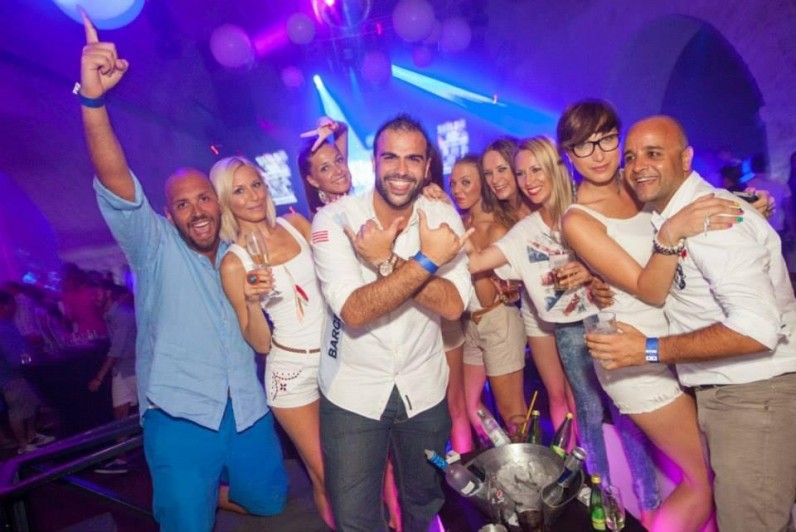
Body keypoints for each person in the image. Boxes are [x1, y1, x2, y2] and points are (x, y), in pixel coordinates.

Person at [79, 15, 287, 530]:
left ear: (217, 203)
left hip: (246, 408)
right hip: (179, 415)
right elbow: (114, 176)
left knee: (270, 502)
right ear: (169, 214)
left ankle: (204, 494)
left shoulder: (239, 251)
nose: (196, 211)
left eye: (203, 199)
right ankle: (188, 497)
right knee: (186, 524)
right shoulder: (153, 246)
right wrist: (94, 101)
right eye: (182, 204)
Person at [586, 115, 796, 532]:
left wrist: (648, 349)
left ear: (686, 159)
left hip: (753, 395)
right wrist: (590, 275)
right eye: (632, 157)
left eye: (653, 153)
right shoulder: (675, 214)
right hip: (734, 391)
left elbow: (756, 328)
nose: (639, 166)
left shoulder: (713, 220)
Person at [557, 101, 739, 531]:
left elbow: (691, 202)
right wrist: (672, 232)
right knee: (703, 478)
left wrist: (745, 207)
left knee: (704, 473)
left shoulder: (635, 182)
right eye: (583, 146)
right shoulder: (577, 220)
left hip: (675, 343)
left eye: (606, 139)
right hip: (633, 357)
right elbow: (649, 287)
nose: (598, 154)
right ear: (568, 156)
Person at [467, 136, 663, 524]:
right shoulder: (523, 230)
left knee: (627, 412)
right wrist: (444, 226)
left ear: (557, 167)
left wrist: (591, 272)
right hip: (568, 329)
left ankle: (649, 503)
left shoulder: (587, 209)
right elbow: (477, 263)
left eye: (535, 170)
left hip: (612, 320)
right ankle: (600, 498)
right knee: (587, 412)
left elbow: (641, 245)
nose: (528, 180)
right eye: (521, 173)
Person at [311, 114, 472, 531]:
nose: (401, 170)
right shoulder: (335, 220)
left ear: (427, 165)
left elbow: (454, 305)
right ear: (374, 161)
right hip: (353, 392)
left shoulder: (443, 217)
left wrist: (387, 260)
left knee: (425, 503)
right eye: (391, 158)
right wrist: (427, 262)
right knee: (355, 517)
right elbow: (354, 310)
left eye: (413, 159)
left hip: (424, 386)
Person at [210, 155, 335, 528]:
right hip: (290, 372)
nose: (252, 196)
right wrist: (252, 301)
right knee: (326, 473)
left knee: (353, 464)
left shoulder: (296, 225)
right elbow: (260, 345)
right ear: (225, 201)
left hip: (335, 357)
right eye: (239, 191)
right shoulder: (234, 263)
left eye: (256, 185)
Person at [480, 139, 573, 430]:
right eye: (488, 173)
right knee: (556, 394)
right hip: (535, 311)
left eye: (502, 170)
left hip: (573, 305)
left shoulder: (554, 202)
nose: (495, 179)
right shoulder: (499, 217)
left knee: (579, 392)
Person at [447, 155, 526, 443]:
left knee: (513, 414)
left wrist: (469, 246)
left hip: (498, 322)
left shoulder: (496, 228)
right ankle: (504, 455)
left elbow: (486, 294)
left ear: (483, 184)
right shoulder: (459, 221)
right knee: (470, 407)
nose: (457, 190)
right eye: (453, 183)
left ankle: (527, 465)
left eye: (466, 182)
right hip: (469, 325)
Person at [88, 281, 137, 474]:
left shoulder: (122, 315)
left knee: (152, 412)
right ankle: (121, 458)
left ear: (108, 293)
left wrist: (99, 378)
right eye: (92, 294)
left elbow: (116, 350)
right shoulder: (110, 315)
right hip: (121, 370)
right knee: (120, 415)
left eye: (97, 292)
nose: (94, 297)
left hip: (135, 368)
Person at [0, 290, 54, 454]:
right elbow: (12, 355)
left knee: (31, 404)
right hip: (9, 375)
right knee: (17, 410)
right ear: (3, 306)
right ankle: (23, 445)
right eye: (11, 305)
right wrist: (27, 359)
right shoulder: (2, 327)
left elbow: (20, 347)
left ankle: (32, 436)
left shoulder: (7, 324)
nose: (14, 308)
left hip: (21, 372)